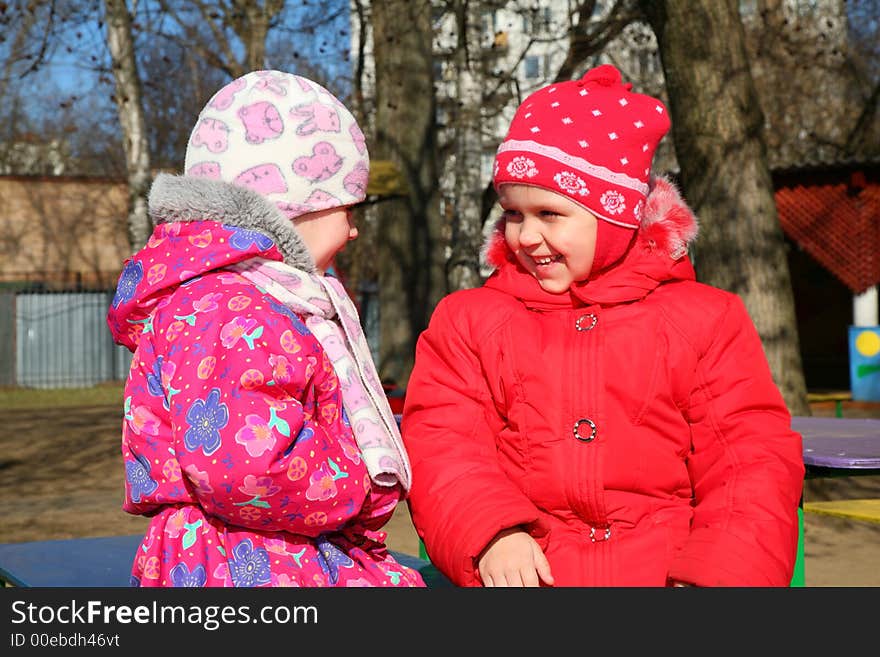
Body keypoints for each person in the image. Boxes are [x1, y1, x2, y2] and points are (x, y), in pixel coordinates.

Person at [401, 64, 804, 587]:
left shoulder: (703, 319)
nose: (525, 237)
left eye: (549, 214)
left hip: (667, 573)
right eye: (513, 214)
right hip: (529, 575)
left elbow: (749, 458)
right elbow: (443, 440)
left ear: (614, 219)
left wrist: (716, 571)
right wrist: (492, 532)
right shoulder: (471, 321)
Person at [107, 70, 425, 588]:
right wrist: (359, 481)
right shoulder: (236, 313)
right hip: (254, 565)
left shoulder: (229, 301)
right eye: (345, 207)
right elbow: (243, 469)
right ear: (293, 210)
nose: (352, 228)